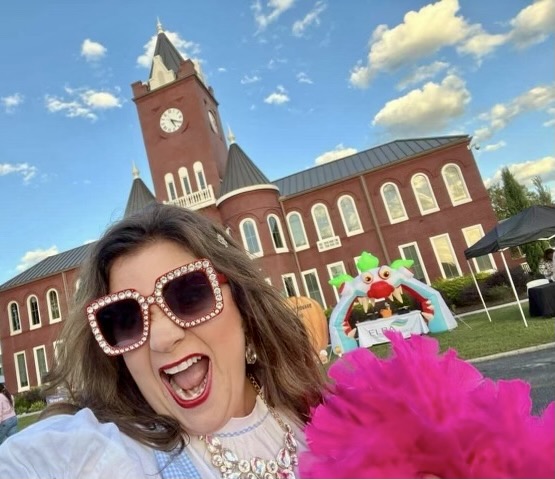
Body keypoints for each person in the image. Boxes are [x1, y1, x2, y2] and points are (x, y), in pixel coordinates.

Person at [0, 203, 327, 478]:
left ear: (243, 304)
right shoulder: (111, 457)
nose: (162, 338)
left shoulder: (320, 410)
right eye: (126, 318)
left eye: (189, 294)